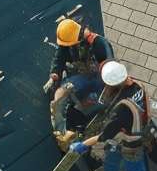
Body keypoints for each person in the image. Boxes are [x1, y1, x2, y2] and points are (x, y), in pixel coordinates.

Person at [70, 61, 155, 171]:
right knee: (112, 153)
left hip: (132, 143)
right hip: (131, 131)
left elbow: (103, 136)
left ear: (112, 85)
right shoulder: (135, 85)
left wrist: (83, 145)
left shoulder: (121, 110)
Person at [43, 18, 114, 150]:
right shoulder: (69, 42)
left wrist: (98, 97)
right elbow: (59, 58)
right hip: (84, 77)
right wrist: (54, 73)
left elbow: (110, 72)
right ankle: (62, 134)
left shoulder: (100, 44)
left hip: (101, 81)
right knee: (60, 94)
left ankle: (93, 126)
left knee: (95, 104)